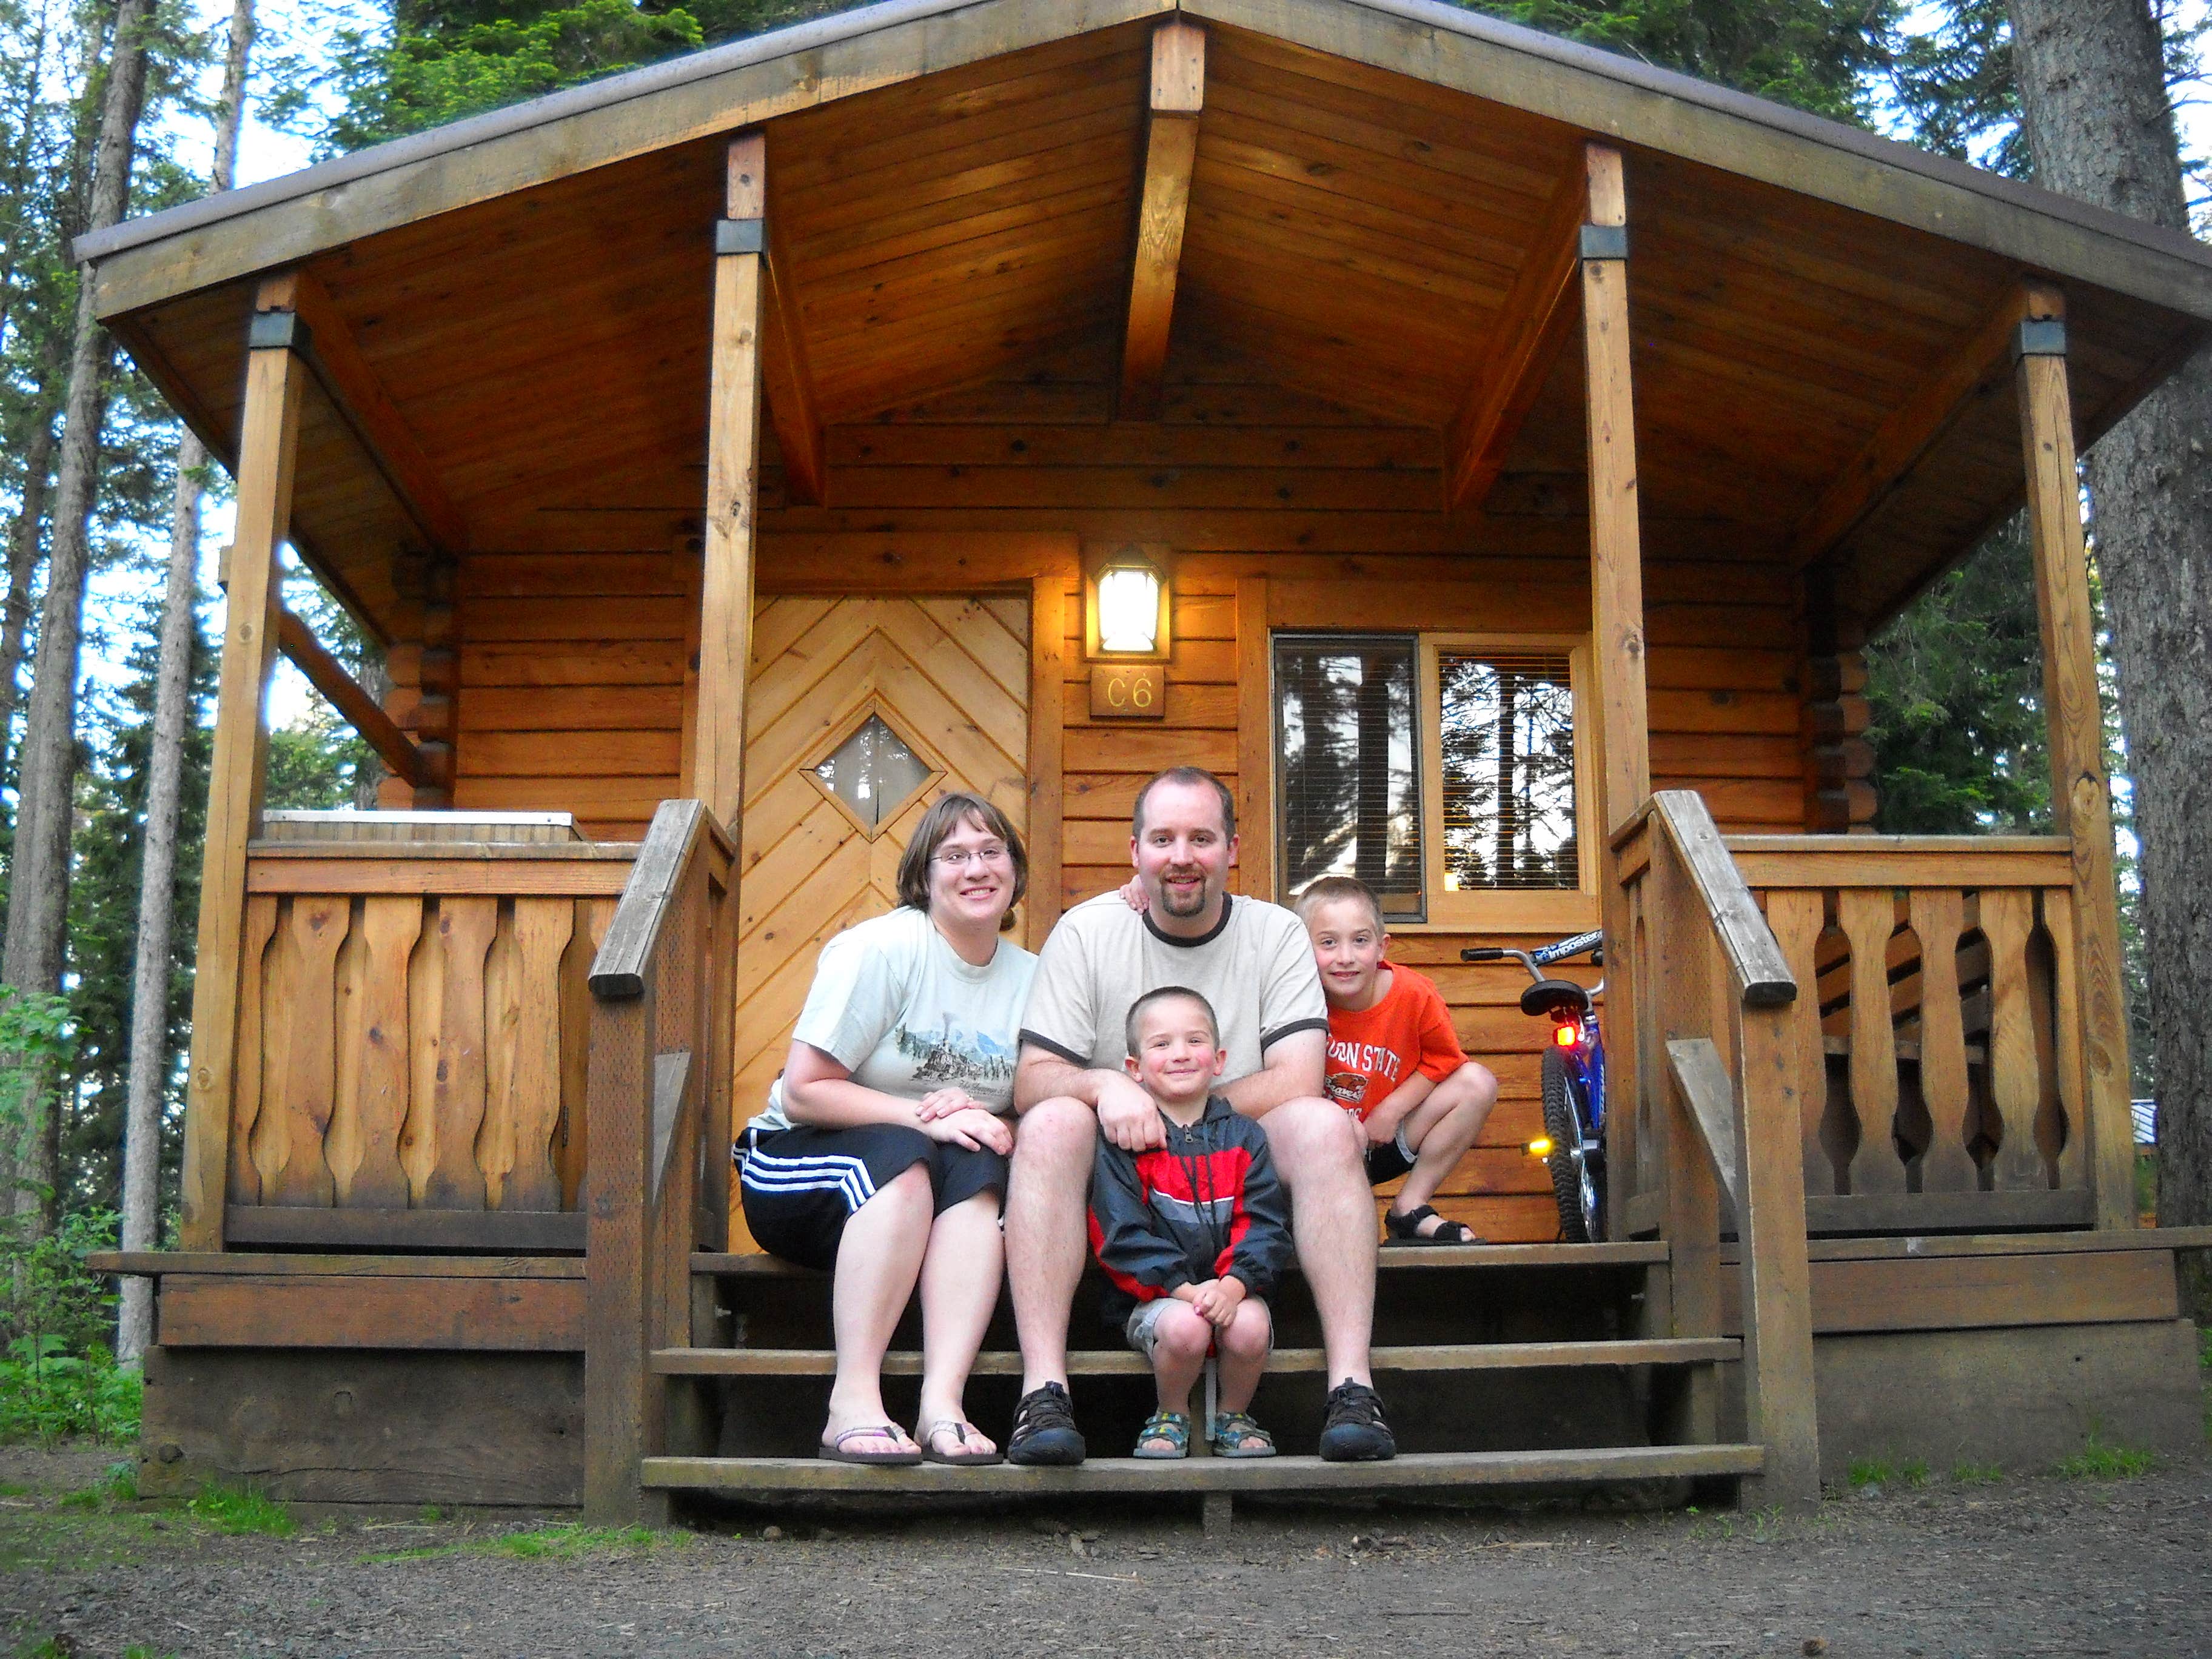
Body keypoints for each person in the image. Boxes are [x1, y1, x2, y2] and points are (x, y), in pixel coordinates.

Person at [1005, 765, 1396, 1466]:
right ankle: (1043, 1395)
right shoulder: (1086, 932)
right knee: (1051, 1123)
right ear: (1135, 853)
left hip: (1236, 1158)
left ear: (1231, 849)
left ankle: (1351, 1388)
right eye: (1163, 838)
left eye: (1200, 838)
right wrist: (1104, 1086)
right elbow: (1034, 1081)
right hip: (1121, 1165)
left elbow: (1301, 1078)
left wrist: (1177, 1114)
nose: (1181, 856)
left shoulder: (1276, 933)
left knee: (1325, 1122)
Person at [734, 791, 1036, 1467]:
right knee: (908, 1155)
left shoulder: (1032, 979)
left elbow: (1026, 1104)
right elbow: (806, 1090)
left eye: (992, 852)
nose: (976, 869)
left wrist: (990, 1120)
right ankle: (853, 1403)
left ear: (1016, 870)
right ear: (924, 876)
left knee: (982, 1173)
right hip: (795, 1166)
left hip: (924, 1181)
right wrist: (927, 1115)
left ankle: (942, 1405)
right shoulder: (882, 950)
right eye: (954, 855)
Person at [1090, 987, 1290, 1459]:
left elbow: (1264, 1224)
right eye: (1161, 1045)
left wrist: (1234, 1286)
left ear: (1218, 1059)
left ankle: (1234, 1416)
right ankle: (1171, 1413)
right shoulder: (1125, 1144)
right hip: (1159, 1300)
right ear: (1134, 1068)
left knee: (1250, 1328)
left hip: (1233, 1289)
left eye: (1194, 1041)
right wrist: (1188, 1291)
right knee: (1185, 1328)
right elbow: (1120, 1236)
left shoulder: (1245, 1137)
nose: (1180, 1054)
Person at [1296, 875, 1500, 1244]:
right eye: (1328, 943)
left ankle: (1410, 1207)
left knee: (1477, 1082)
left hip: (1384, 1141)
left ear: (1381, 947)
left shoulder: (1413, 993)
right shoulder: (1294, 1000)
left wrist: (1389, 1111)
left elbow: (1443, 1060)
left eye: (1360, 941)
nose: (1345, 957)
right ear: (1302, 948)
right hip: (1316, 1157)